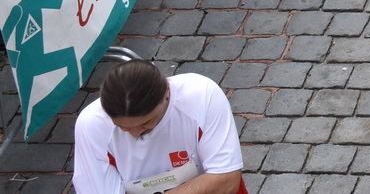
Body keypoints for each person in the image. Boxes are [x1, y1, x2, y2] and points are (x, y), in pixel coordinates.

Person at [72, 62, 243, 194]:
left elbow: (226, 179)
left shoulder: (202, 95)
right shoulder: (91, 125)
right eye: (122, 127)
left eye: (145, 123)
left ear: (167, 92)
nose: (135, 133)